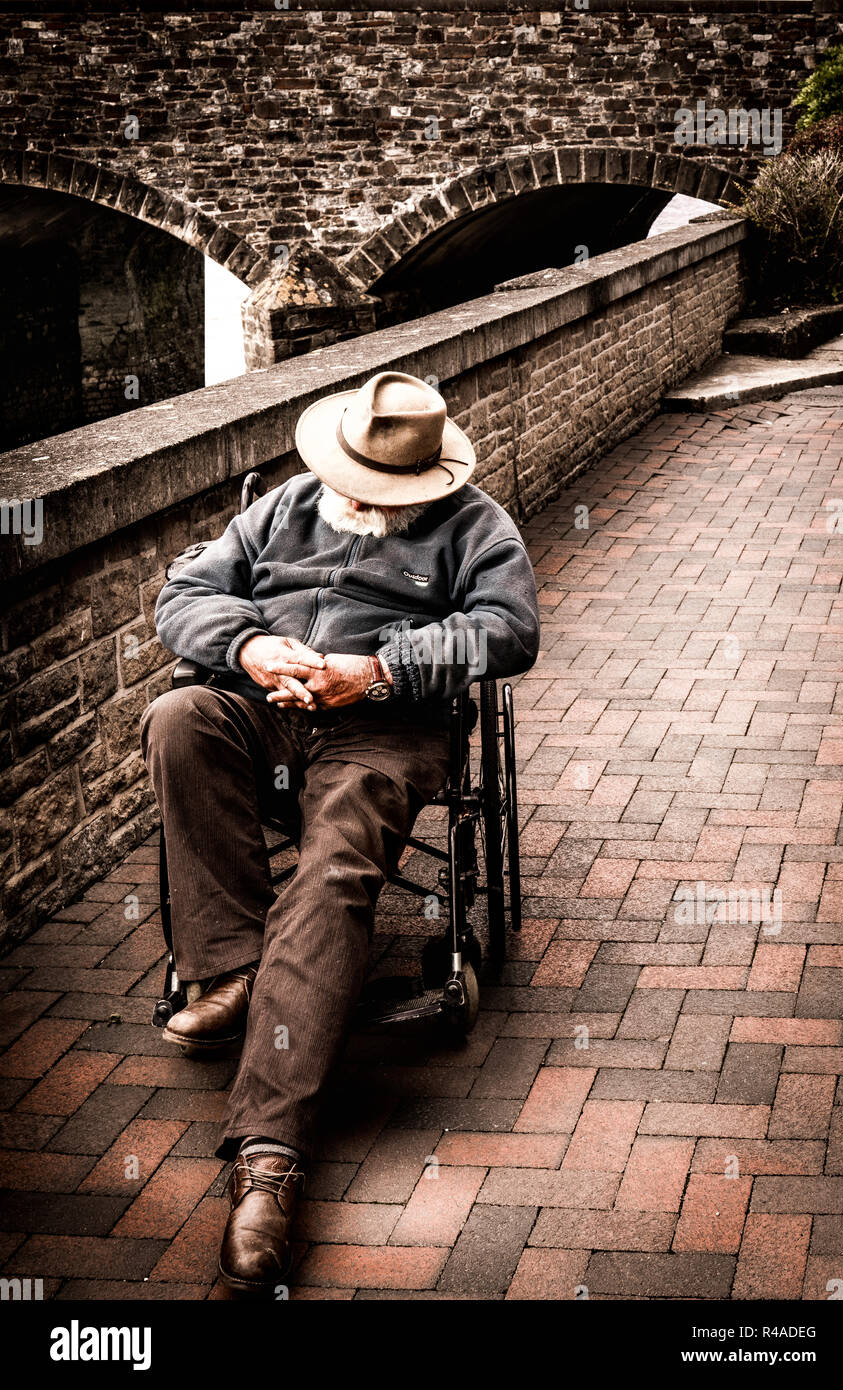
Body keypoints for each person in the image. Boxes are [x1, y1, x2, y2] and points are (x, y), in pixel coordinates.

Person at [140, 370, 540, 1297]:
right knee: (178, 720)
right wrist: (247, 648)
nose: (358, 500)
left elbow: (508, 632)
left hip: (384, 729)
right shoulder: (284, 506)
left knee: (330, 872)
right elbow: (184, 593)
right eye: (352, 480)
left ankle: (268, 1157)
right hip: (266, 704)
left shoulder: (477, 525)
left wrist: (383, 670)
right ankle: (236, 964)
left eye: (382, 490)